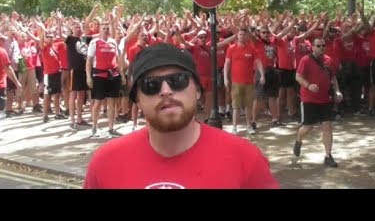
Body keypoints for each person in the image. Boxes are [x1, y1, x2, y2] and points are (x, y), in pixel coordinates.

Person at [84, 43, 279, 189]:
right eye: (151, 85)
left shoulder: (246, 159)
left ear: (197, 90)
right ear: (137, 99)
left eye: (178, 80)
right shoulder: (105, 163)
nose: (166, 91)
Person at [293, 37, 342, 167]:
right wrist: (308, 86)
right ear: (313, 47)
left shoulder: (329, 60)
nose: (321, 48)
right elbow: (298, 76)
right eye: (318, 46)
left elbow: (333, 77)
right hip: (309, 99)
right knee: (308, 126)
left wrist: (337, 91)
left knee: (327, 126)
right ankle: (298, 140)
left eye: (323, 45)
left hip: (325, 99)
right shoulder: (306, 60)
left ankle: (328, 155)